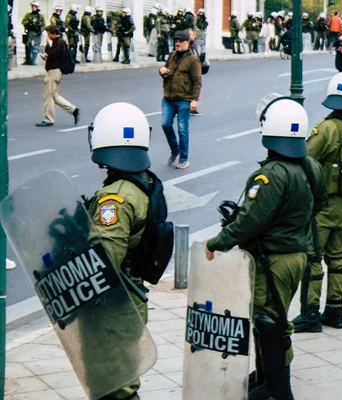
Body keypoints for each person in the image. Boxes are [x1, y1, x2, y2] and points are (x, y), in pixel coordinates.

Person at [206, 97, 327, 400]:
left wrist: (216, 243)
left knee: (270, 324)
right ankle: (266, 380)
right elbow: (319, 204)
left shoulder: (271, 174)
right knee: (270, 319)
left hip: (272, 259)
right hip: (296, 254)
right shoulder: (310, 166)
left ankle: (278, 391)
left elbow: (250, 222)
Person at [87, 102, 166, 400]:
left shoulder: (116, 197)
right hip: (132, 295)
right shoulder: (146, 183)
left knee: (116, 388)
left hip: (115, 305)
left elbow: (105, 260)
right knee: (121, 381)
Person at [292, 72, 342, 333]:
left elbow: (305, 155)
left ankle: (310, 314)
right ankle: (336, 310)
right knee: (338, 260)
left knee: (313, 259)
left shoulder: (327, 128)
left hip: (322, 207)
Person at [159, 30, 202, 170]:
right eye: (176, 41)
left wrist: (195, 100)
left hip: (184, 99)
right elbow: (166, 69)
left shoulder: (193, 60)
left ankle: (183, 159)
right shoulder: (172, 55)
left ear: (187, 42)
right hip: (168, 97)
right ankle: (175, 150)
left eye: (181, 41)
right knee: (165, 125)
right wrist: (162, 70)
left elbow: (197, 81)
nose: (178, 43)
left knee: (182, 129)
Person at [35, 25, 79, 128]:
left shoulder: (59, 43)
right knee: (53, 95)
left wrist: (47, 46)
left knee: (48, 96)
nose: (48, 36)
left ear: (54, 33)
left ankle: (49, 119)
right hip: (54, 71)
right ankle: (73, 110)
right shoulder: (58, 42)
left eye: (49, 34)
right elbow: (53, 56)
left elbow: (52, 54)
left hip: (54, 72)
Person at [22, 1, 45, 65]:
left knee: (36, 47)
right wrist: (28, 23)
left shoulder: (40, 16)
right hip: (30, 33)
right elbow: (23, 21)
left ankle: (33, 61)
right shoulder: (28, 15)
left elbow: (44, 25)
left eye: (35, 7)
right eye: (33, 7)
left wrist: (41, 30)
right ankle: (27, 60)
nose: (33, 8)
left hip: (37, 33)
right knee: (28, 46)